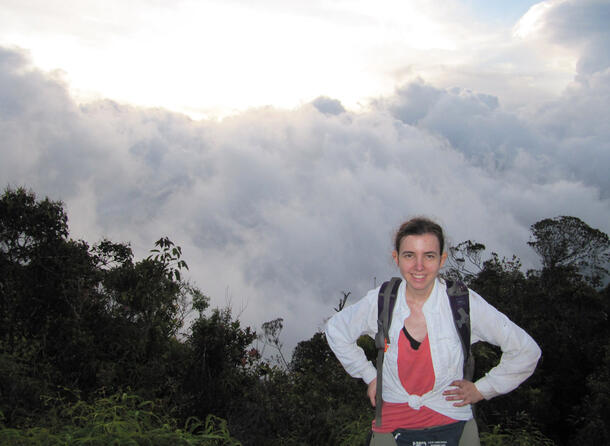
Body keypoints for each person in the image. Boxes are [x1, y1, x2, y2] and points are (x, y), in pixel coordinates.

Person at [325, 217, 541, 446]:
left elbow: (526, 351)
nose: (419, 266)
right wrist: (370, 376)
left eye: (429, 256)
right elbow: (336, 330)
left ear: (441, 259)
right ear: (396, 258)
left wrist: (482, 389)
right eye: (409, 255)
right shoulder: (383, 302)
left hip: (454, 426)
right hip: (392, 427)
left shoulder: (462, 303)